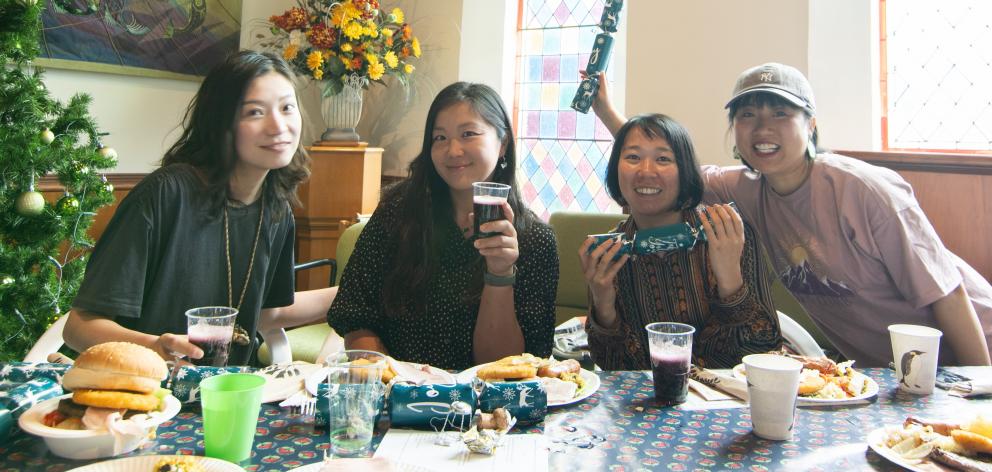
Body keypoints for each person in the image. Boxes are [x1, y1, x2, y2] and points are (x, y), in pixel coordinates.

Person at [588, 65, 992, 367]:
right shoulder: (743, 188)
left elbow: (949, 294)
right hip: (890, 374)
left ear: (811, 124)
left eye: (781, 113)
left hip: (973, 355)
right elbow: (664, 169)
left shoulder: (864, 189)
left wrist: (981, 392)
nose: (763, 128)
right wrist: (609, 115)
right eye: (747, 116)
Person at [64, 50, 335, 365]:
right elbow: (77, 328)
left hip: (222, 394)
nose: (278, 126)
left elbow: (266, 313)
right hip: (136, 391)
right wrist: (153, 346)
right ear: (221, 123)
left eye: (287, 108)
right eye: (255, 113)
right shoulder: (164, 195)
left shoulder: (276, 210)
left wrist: (354, 292)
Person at [328, 82, 559, 371]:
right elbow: (356, 316)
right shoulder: (398, 213)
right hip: (400, 396)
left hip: (485, 404)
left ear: (502, 144)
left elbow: (506, 366)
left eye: (468, 134)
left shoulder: (534, 239)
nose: (453, 150)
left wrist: (499, 274)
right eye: (440, 137)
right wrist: (392, 378)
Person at [580, 113, 782, 370]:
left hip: (727, 403)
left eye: (663, 159)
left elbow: (765, 351)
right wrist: (603, 305)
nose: (646, 171)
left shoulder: (726, 234)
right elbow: (613, 368)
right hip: (643, 405)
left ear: (685, 170)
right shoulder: (610, 252)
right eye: (632, 157)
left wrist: (730, 281)